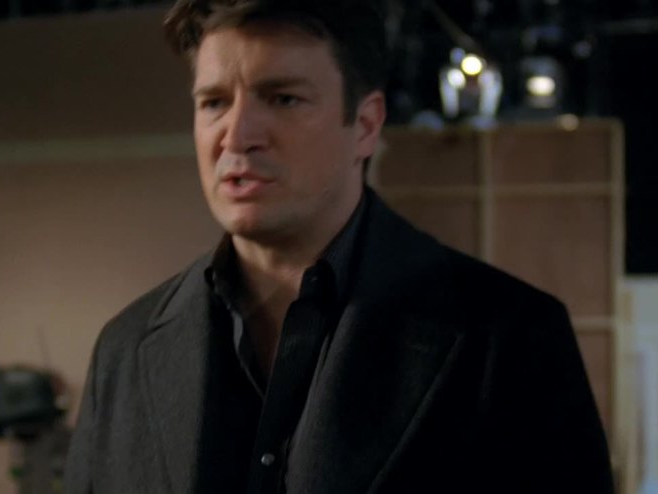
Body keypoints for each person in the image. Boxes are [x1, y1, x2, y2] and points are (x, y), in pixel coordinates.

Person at [64, 0, 614, 492]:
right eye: (213, 103)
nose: (236, 136)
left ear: (366, 126)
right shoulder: (124, 349)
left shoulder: (510, 338)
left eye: (283, 98)